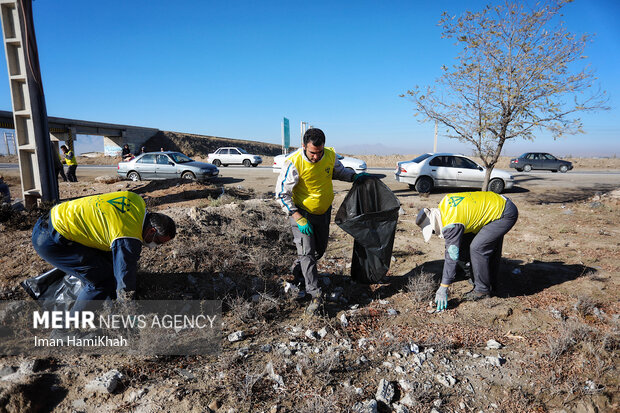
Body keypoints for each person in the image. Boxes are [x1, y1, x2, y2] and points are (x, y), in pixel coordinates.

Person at [31, 191, 176, 312]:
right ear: (152, 231)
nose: (155, 246)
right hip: (50, 241)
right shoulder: (128, 237)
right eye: (158, 242)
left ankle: (102, 308)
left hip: (52, 220)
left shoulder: (137, 201)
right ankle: (65, 330)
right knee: (100, 281)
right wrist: (128, 311)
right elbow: (125, 278)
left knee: (107, 267)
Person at [275, 128, 368, 314]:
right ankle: (314, 294)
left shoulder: (329, 155)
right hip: (303, 214)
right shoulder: (293, 162)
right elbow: (281, 194)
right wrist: (297, 217)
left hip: (323, 214)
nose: (316, 157)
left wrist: (353, 176)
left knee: (319, 251)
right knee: (308, 253)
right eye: (312, 152)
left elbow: (338, 171)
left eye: (319, 152)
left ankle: (299, 270)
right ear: (303, 146)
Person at [416, 191, 518, 311]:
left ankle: (482, 291)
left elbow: (451, 256)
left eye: (432, 231)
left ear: (434, 224)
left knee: (478, 248)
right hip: (497, 203)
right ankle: (480, 277)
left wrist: (443, 287)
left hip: (504, 213)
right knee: (470, 243)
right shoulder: (444, 203)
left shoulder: (451, 224)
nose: (434, 234)